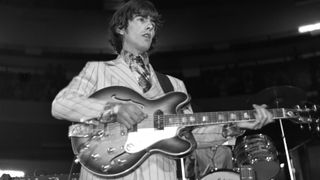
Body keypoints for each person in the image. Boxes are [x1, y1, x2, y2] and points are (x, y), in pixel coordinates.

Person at [51, 0, 274, 180]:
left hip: (159, 173)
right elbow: (61, 104)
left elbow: (191, 134)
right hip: (104, 172)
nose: (150, 26)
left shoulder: (174, 86)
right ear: (121, 28)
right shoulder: (97, 71)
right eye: (141, 19)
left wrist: (234, 126)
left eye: (153, 22)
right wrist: (113, 109)